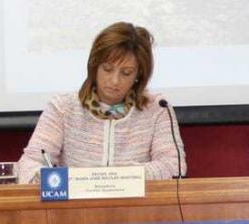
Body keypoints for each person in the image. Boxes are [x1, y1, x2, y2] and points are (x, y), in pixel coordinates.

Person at [17, 22, 186, 183]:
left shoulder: (158, 108)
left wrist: (122, 177)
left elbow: (174, 166)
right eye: (107, 69)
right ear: (94, 66)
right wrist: (56, 179)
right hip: (76, 203)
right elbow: (29, 164)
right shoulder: (62, 108)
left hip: (138, 203)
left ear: (139, 75)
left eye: (126, 73)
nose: (114, 81)